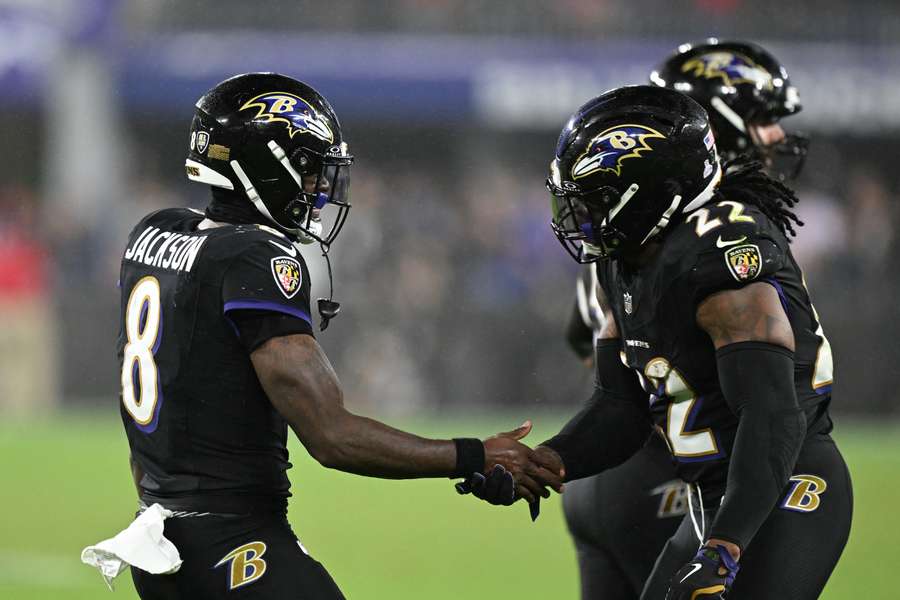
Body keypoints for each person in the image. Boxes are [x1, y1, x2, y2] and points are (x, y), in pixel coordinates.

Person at [115, 72, 561, 600]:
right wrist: (474, 454)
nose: (318, 189)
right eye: (307, 170)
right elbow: (333, 437)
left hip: (158, 538)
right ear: (262, 165)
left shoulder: (154, 232)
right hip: (231, 542)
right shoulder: (256, 257)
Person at [473, 84, 852, 599]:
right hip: (712, 499)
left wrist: (724, 547)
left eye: (598, 199)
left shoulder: (719, 256)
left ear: (651, 194)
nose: (581, 217)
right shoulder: (625, 258)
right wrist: (545, 461)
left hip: (785, 488)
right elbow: (620, 405)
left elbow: (772, 416)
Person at [557, 39, 813, 599]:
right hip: (672, 478)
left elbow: (586, 341)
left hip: (652, 475)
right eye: (763, 118)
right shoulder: (681, 237)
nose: (775, 135)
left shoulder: (648, 238)